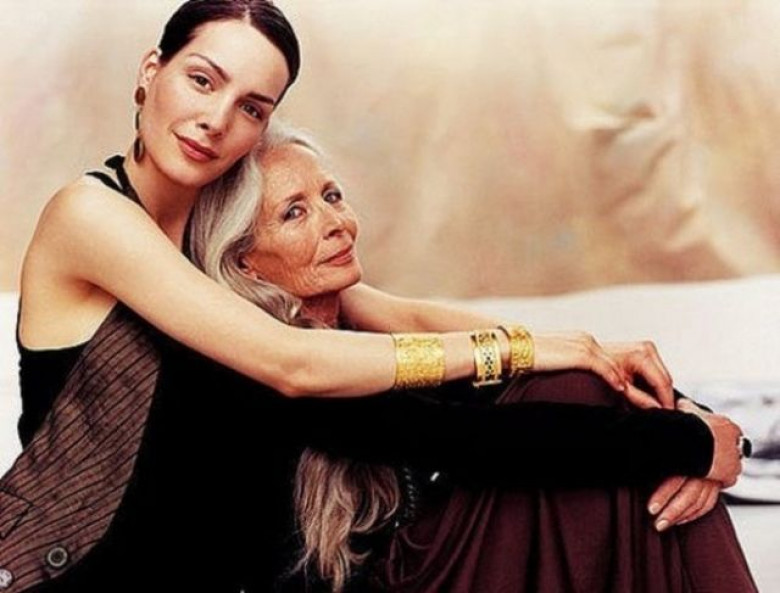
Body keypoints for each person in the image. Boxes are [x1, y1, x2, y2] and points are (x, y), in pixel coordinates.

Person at [2, 0, 747, 591]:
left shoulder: (218, 241)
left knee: (576, 390)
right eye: (202, 80)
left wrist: (618, 371)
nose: (216, 120)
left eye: (253, 107)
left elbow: (400, 316)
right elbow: (295, 363)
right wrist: (541, 354)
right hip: (80, 572)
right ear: (151, 70)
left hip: (218, 569)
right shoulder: (92, 216)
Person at [187, 121, 757, 592]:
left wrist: (690, 416)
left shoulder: (357, 324)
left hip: (415, 564)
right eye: (294, 213)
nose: (335, 224)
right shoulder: (269, 361)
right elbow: (468, 439)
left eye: (331, 196)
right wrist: (692, 444)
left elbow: (554, 373)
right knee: (578, 418)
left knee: (575, 391)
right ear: (245, 261)